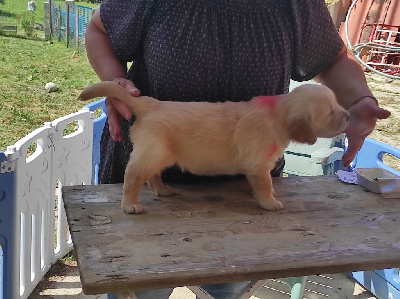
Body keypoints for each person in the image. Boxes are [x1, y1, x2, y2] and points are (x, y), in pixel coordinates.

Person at [84, 0, 391, 298]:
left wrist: (359, 99)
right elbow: (99, 29)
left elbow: (333, 58)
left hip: (240, 197)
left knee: (227, 285)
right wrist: (115, 80)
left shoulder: (296, 3)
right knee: (141, 284)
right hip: (156, 175)